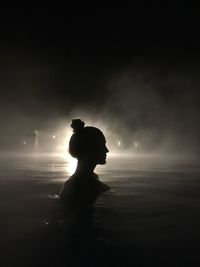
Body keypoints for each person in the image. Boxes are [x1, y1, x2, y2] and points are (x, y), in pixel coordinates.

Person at [59, 119, 110, 206]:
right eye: (102, 145)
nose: (107, 150)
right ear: (88, 150)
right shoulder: (77, 185)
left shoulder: (91, 177)